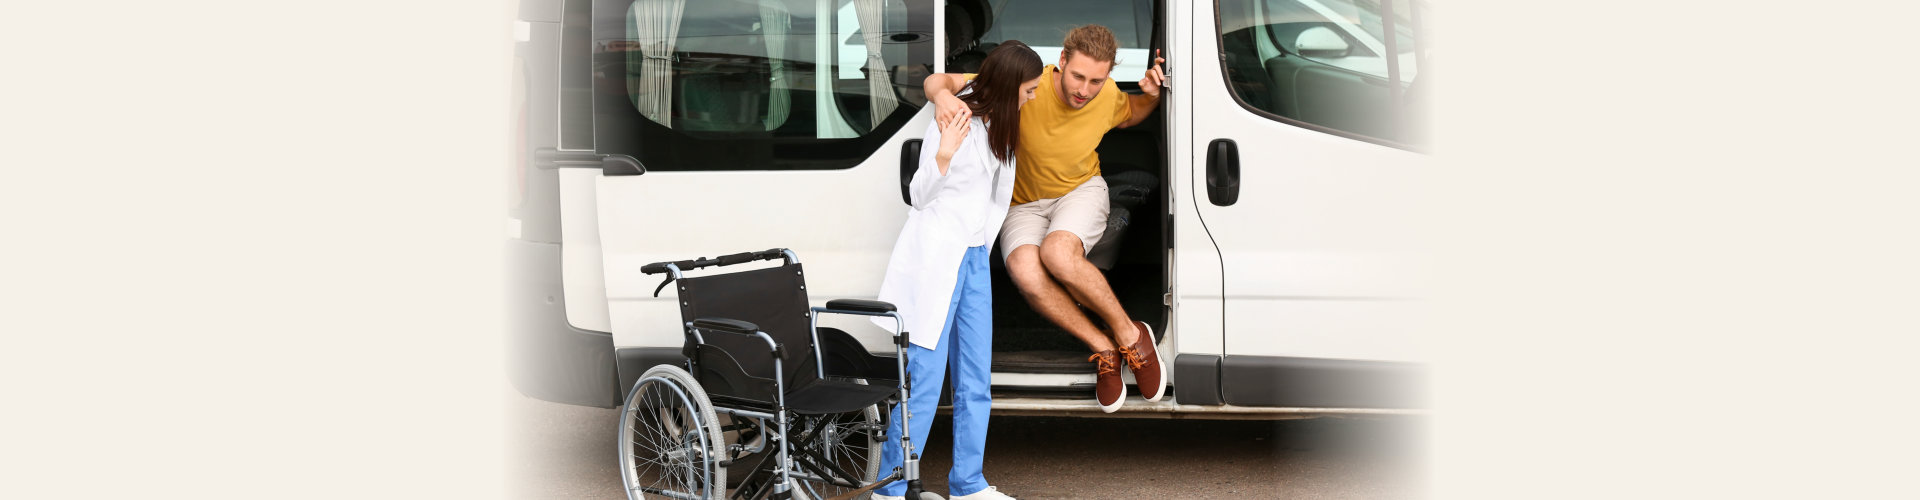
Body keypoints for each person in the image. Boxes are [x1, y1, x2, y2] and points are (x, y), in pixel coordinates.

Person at [922, 25, 1167, 413]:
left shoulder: (1106, 96)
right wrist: (941, 98)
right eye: (1078, 77)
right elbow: (940, 79)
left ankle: (1130, 334)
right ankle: (1102, 345)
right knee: (1023, 269)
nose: (1084, 90)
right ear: (1062, 62)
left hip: (1080, 190)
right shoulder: (1024, 85)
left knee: (1058, 254)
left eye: (1096, 81)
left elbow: (1129, 113)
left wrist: (1151, 98)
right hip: (1022, 204)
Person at [871, 41, 1044, 500]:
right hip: (936, 260)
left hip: (971, 259)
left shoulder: (1002, 120)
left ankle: (968, 483)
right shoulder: (955, 117)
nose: (1032, 98)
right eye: (1028, 91)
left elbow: (995, 195)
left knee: (975, 377)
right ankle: (888, 489)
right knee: (925, 380)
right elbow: (920, 195)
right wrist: (945, 152)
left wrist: (981, 248)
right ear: (1009, 87)